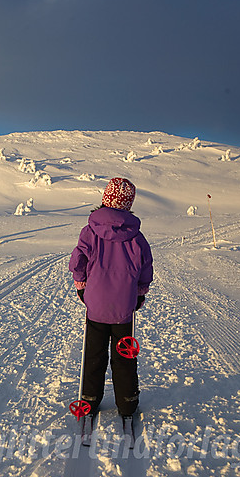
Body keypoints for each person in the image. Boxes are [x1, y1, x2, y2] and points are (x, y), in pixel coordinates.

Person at [69, 177, 153, 419]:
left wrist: (81, 284)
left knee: (94, 354)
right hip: (124, 307)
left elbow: (79, 261)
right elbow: (145, 268)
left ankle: (90, 400)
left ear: (105, 199)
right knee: (124, 355)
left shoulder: (90, 231)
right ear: (128, 204)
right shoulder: (137, 237)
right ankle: (127, 402)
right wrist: (140, 293)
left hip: (95, 305)